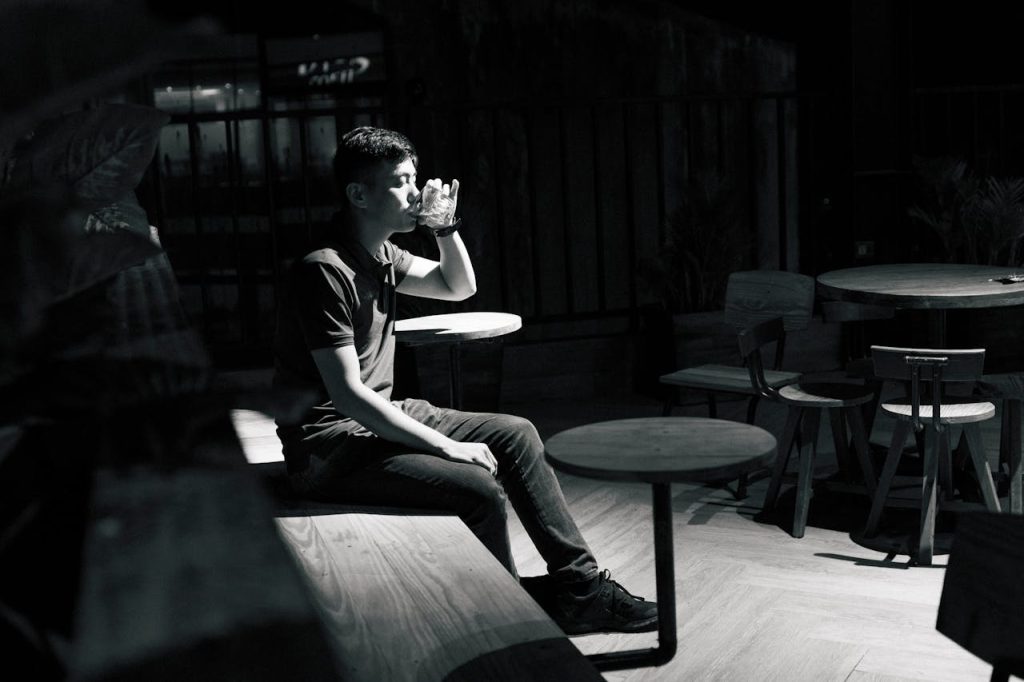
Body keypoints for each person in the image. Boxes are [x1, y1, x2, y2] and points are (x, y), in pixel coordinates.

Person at [272, 125, 657, 635]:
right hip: (328, 447)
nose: (416, 192)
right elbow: (347, 395)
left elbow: (458, 287)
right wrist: (445, 447)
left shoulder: (383, 254)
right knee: (477, 487)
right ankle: (503, 617)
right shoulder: (324, 269)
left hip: (373, 423)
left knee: (515, 433)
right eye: (401, 182)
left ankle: (580, 588)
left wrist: (446, 228)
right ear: (358, 194)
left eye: (415, 178)